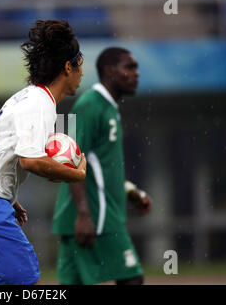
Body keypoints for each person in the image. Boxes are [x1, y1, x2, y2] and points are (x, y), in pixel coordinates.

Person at [0, 20, 86, 285]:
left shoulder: (21, 97)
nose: (83, 72)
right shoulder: (41, 103)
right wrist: (76, 174)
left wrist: (8, 196)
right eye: (80, 63)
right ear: (68, 67)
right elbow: (30, 160)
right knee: (25, 285)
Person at [52, 47, 152, 285]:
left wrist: (129, 190)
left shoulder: (108, 107)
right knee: (132, 279)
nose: (136, 74)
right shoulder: (90, 104)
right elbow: (71, 161)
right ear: (109, 71)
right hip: (97, 219)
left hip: (88, 217)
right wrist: (84, 215)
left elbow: (100, 164)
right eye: (129, 67)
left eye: (136, 68)